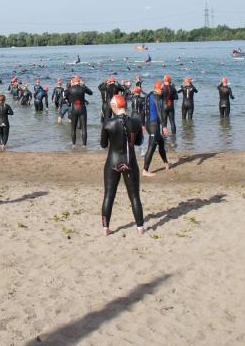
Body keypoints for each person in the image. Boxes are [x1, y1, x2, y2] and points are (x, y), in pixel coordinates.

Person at [100, 94, 145, 235]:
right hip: (130, 162)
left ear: (114, 106)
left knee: (109, 195)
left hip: (112, 162)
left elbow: (103, 144)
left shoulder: (108, 123)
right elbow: (139, 142)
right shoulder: (136, 122)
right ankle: (140, 228)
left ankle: (105, 228)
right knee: (134, 196)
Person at [142, 81, 170, 177]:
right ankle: (145, 170)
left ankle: (166, 163)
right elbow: (159, 112)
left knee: (161, 142)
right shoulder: (156, 97)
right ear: (157, 89)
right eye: (161, 89)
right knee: (151, 147)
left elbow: (143, 111)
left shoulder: (148, 96)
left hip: (149, 124)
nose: (162, 91)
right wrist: (164, 126)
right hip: (153, 125)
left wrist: (142, 124)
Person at [65, 76, 93, 146]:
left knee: (73, 128)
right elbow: (91, 93)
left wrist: (71, 87)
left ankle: (73, 144)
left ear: (73, 82)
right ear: (79, 82)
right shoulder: (83, 88)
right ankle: (84, 145)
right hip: (82, 108)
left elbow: (65, 96)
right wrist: (84, 85)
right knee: (84, 128)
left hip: (74, 109)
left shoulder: (70, 89)